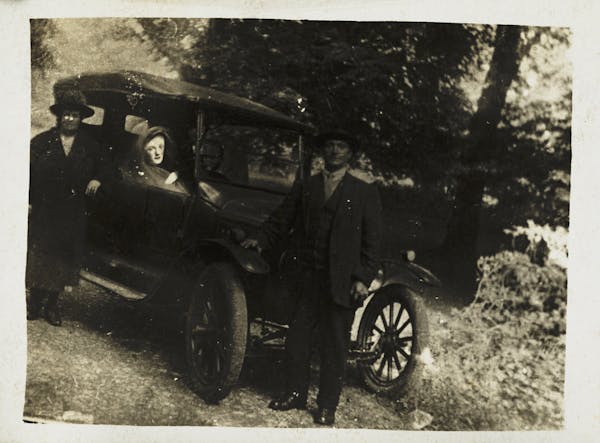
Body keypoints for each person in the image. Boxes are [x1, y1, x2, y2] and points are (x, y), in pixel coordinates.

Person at [242, 130, 382, 425]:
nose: (334, 151)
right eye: (329, 146)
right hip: (306, 279)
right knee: (298, 339)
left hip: (341, 284)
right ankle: (295, 393)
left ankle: (327, 406)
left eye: (341, 146)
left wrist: (362, 279)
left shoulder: (363, 192)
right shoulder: (307, 186)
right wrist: (260, 241)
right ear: (322, 152)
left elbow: (373, 243)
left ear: (350, 154)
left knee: (334, 345)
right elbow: (281, 220)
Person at [27, 90, 106, 326]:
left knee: (63, 260)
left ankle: (51, 305)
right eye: (66, 114)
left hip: (72, 213)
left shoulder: (90, 146)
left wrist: (97, 179)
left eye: (74, 115)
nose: (70, 119)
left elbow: (107, 169)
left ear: (81, 118)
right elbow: (25, 173)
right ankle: (34, 303)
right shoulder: (41, 142)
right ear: (59, 116)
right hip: (45, 210)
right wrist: (28, 201)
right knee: (41, 256)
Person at [125, 126, 188, 193]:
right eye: (151, 149)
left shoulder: (168, 171)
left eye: (161, 147)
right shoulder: (142, 175)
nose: (158, 152)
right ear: (142, 151)